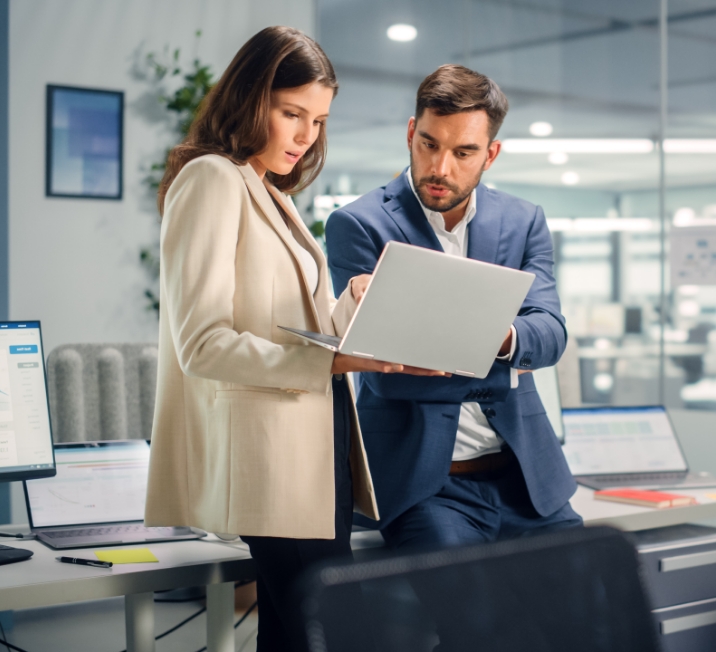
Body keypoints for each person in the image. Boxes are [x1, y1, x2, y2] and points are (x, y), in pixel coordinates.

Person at [144, 26, 441, 652]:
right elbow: (201, 345)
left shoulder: (270, 192)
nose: (307, 135)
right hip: (272, 457)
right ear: (252, 100)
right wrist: (335, 360)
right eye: (292, 113)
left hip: (315, 445)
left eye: (319, 119)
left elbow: (283, 324)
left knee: (292, 635)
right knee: (334, 632)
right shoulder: (212, 180)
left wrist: (351, 307)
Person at [325, 64, 582, 555]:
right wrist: (505, 363)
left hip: (527, 480)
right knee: (473, 625)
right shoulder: (359, 225)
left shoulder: (524, 221)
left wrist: (492, 338)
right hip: (427, 489)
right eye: (428, 144)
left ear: (491, 154)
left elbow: (549, 336)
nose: (440, 167)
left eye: (463, 152)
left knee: (592, 619)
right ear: (410, 132)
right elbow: (386, 374)